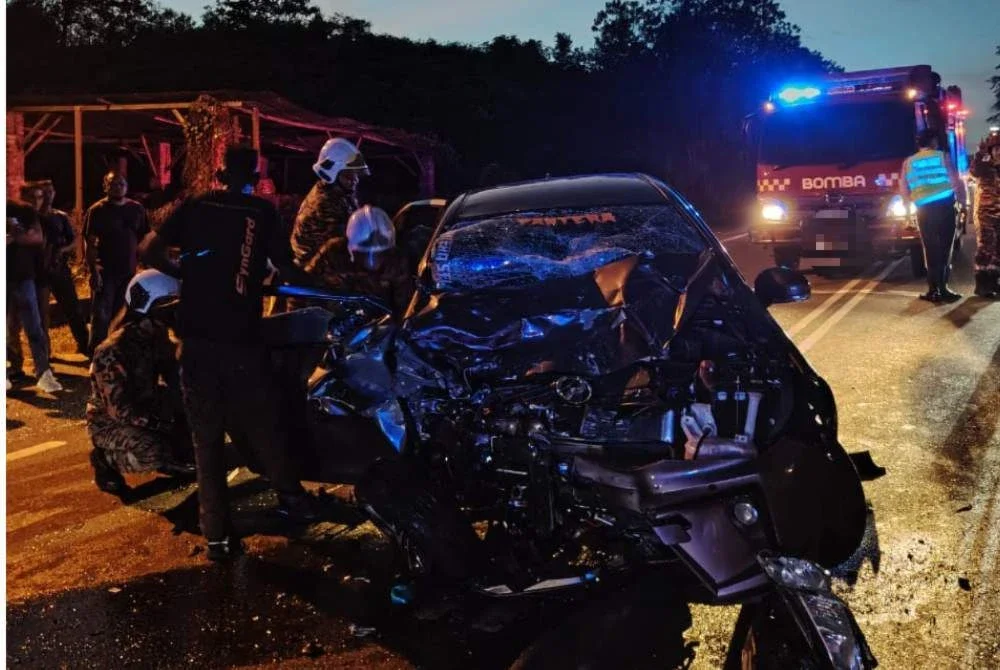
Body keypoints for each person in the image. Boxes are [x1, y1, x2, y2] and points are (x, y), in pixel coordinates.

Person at [140, 145, 321, 561]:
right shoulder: (261, 214)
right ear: (255, 177)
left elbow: (148, 251)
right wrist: (326, 290)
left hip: (196, 341)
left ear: (220, 172)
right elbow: (287, 267)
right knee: (264, 423)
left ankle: (217, 537)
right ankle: (293, 500)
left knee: (207, 441)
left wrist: (185, 274)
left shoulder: (197, 205)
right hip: (242, 339)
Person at [86, 269, 196, 495]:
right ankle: (105, 459)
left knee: (191, 427)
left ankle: (170, 452)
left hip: (147, 404)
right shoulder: (111, 350)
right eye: (169, 306)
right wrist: (161, 424)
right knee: (151, 452)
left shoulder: (154, 335)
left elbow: (174, 377)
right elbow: (120, 410)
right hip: (109, 422)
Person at [11, 181, 90, 356]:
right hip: (39, 273)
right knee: (41, 316)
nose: (47, 196)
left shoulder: (60, 217)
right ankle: (45, 354)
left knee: (73, 309)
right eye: (43, 193)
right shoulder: (30, 217)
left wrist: (61, 250)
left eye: (50, 191)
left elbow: (73, 240)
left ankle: (85, 346)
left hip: (59, 269)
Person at [305, 205, 414, 317]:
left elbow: (405, 306)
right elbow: (306, 289)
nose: (372, 260)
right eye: (364, 252)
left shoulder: (397, 261)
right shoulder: (333, 254)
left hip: (380, 325)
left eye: (380, 253)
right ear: (350, 247)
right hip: (334, 322)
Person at [83, 170, 150, 354]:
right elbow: (89, 243)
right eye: (113, 184)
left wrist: (145, 266)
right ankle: (96, 354)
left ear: (127, 186)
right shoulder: (97, 211)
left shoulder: (137, 209)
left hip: (129, 271)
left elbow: (145, 238)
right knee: (101, 316)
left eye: (121, 184)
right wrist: (93, 271)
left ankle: (118, 351)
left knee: (123, 314)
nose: (118, 187)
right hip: (105, 271)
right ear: (105, 186)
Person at [290, 138, 368, 284]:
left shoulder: (339, 194)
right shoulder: (325, 203)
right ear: (332, 173)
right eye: (349, 175)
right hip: (314, 274)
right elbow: (348, 242)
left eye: (356, 174)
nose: (355, 180)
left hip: (323, 266)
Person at [900, 130, 964, 303]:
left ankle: (932, 289)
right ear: (934, 141)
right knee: (945, 248)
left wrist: (907, 215)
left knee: (929, 248)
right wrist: (963, 203)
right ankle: (943, 288)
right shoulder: (942, 156)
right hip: (944, 208)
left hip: (923, 210)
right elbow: (956, 182)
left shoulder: (909, 162)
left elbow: (904, 190)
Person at [6, 199, 63, 393]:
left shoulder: (23, 209)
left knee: (34, 327)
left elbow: (36, 237)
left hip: (24, 277)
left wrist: (13, 234)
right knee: (7, 330)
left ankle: (43, 373)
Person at [969, 132, 1000, 299]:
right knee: (985, 248)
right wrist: (981, 154)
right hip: (985, 213)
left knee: (998, 250)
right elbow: (974, 171)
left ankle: (994, 281)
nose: (999, 152)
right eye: (996, 149)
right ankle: (982, 285)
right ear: (991, 150)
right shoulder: (984, 166)